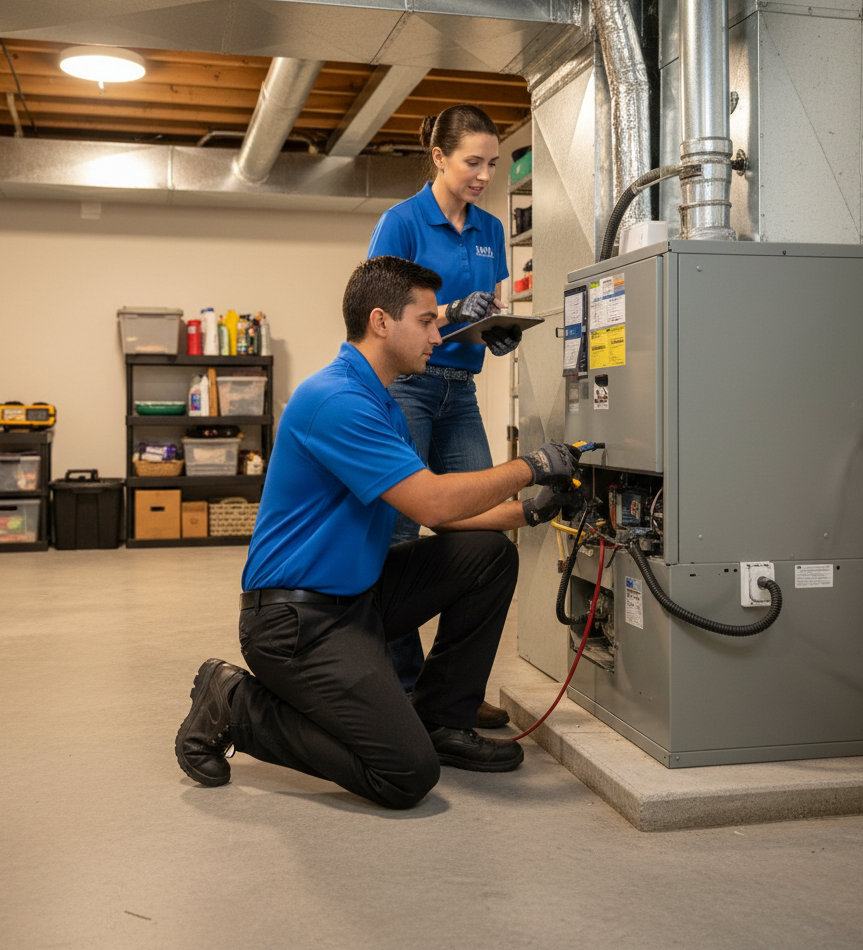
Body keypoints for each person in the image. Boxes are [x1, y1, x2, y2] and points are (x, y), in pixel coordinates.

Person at [174, 255, 581, 810]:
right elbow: (434, 501)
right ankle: (236, 705)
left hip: (357, 599)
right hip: (295, 623)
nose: (440, 335)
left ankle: (443, 721)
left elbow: (430, 513)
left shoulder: (380, 404)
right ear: (381, 321)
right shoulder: (336, 400)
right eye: (428, 320)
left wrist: (528, 512)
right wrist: (534, 464)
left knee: (487, 557)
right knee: (405, 774)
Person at [367, 104, 523, 725]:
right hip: (408, 386)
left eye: (491, 163)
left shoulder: (490, 229)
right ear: (438, 157)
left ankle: (451, 690)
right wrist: (456, 312)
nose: (484, 174)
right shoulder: (401, 222)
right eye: (472, 162)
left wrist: (496, 331)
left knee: (482, 533)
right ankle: (402, 690)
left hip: (461, 389)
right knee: (400, 536)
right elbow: (382, 310)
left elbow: (485, 313)